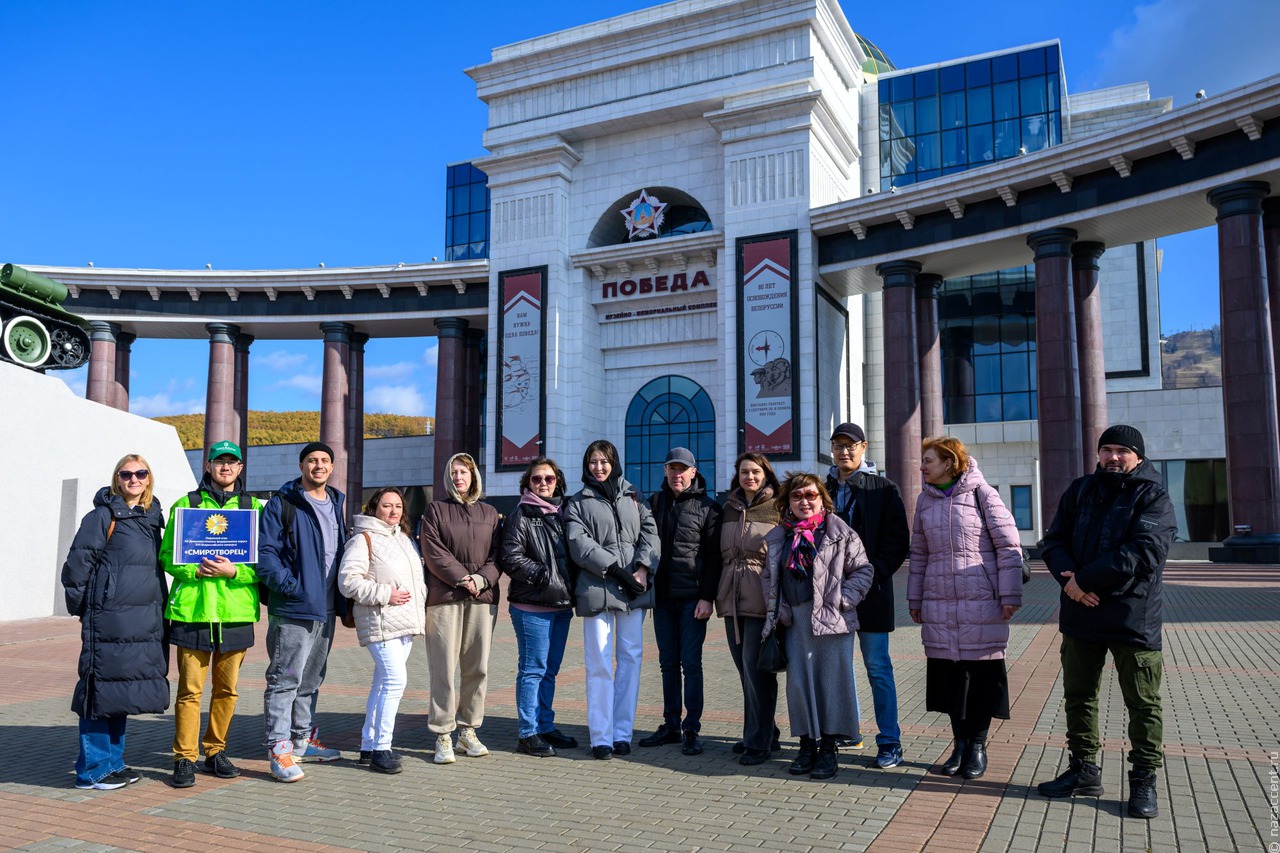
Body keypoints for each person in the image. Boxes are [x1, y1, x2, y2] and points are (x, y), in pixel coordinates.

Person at [1036, 425, 1177, 819]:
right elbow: (1053, 542)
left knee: (1143, 704)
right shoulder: (1081, 490)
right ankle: (1083, 770)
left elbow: (1144, 552)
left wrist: (1085, 579)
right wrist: (1072, 581)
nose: (1113, 457)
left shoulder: (1154, 495)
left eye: (1122, 451)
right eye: (1107, 450)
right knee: (1079, 696)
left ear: (1139, 456)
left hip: (1133, 618)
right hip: (1080, 611)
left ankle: (1144, 779)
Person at [908, 436, 1023, 780]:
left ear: (949, 463)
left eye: (929, 460)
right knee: (951, 678)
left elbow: (1008, 545)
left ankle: (977, 745)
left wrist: (1009, 596)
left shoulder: (982, 494)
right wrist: (914, 600)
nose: (922, 467)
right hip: (939, 603)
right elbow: (919, 556)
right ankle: (958, 744)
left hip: (981, 602)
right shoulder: (923, 501)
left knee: (981, 676)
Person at [159, 440, 262, 789]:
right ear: (208, 465)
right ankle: (184, 758)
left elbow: (265, 563)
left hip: (235, 612)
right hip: (193, 611)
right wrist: (193, 571)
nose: (226, 468)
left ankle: (215, 751)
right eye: (219, 462)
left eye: (232, 462)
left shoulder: (253, 509)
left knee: (227, 690)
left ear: (240, 468)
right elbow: (167, 556)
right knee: (189, 691)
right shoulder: (185, 505)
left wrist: (236, 573)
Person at [62, 454, 168, 790]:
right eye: (126, 474)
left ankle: (113, 763)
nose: (133, 479)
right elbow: (76, 568)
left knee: (119, 693)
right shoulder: (102, 516)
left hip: (142, 620)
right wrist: (86, 610)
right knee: (97, 693)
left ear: (149, 478)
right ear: (117, 478)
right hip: (109, 620)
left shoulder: (153, 518)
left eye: (140, 473)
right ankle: (92, 770)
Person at [761, 473, 874, 781]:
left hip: (832, 619)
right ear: (788, 502)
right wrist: (778, 608)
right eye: (797, 496)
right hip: (794, 620)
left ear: (823, 499)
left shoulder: (840, 532)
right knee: (798, 684)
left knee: (831, 683)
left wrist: (843, 600)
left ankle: (828, 747)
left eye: (810, 495)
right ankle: (806, 744)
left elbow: (863, 569)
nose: (804, 501)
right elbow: (768, 578)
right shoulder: (779, 536)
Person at [256, 441, 347, 782]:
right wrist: (293, 588)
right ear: (301, 466)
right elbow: (265, 554)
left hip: (325, 607)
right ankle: (279, 750)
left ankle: (301, 740)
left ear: (331, 467)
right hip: (295, 607)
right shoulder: (284, 504)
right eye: (312, 460)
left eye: (324, 460)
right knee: (285, 679)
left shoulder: (336, 501)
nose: (319, 465)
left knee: (311, 679)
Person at [565, 439, 660, 760]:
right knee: (599, 664)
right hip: (598, 588)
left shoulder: (633, 495)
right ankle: (601, 737)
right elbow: (579, 544)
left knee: (631, 660)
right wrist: (616, 570)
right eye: (593, 461)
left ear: (614, 462)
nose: (599, 467)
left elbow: (650, 532)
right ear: (586, 465)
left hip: (636, 587)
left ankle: (623, 733)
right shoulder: (578, 502)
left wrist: (644, 569)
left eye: (605, 461)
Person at [825, 422, 910, 768]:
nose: (844, 451)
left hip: (872, 594)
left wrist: (871, 575)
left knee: (877, 667)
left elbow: (898, 542)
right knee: (838, 668)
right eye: (838, 445)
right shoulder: (822, 488)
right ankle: (849, 731)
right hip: (831, 596)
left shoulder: (883, 489)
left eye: (851, 445)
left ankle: (890, 741)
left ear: (864, 448)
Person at [338, 486, 427, 774]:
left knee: (382, 684)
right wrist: (384, 593)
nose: (393, 511)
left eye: (398, 507)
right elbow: (348, 582)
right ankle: (381, 748)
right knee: (395, 682)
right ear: (374, 507)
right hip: (381, 620)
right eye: (387, 505)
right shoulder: (363, 539)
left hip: (404, 623)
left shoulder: (403, 538)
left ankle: (368, 744)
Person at [420, 452, 501, 765]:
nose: (458, 477)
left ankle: (468, 731)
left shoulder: (490, 512)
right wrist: (462, 577)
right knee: (443, 668)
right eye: (453, 472)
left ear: (474, 475)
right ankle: (442, 733)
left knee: (476, 667)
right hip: (445, 599)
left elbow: (499, 554)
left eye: (463, 472)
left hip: (482, 598)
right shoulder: (435, 510)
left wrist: (481, 579)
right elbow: (433, 551)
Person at [639, 447, 722, 756]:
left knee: (692, 664)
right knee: (667, 664)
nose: (677, 474)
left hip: (692, 601)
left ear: (693, 472)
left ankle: (692, 728)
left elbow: (714, 559)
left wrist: (706, 598)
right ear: (665, 471)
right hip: (662, 600)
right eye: (672, 469)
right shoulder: (654, 504)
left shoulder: (709, 507)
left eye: (682, 469)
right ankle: (671, 724)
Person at [498, 457, 579, 757]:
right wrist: (542, 574)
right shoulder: (521, 515)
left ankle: (545, 725)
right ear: (527, 483)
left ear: (558, 481)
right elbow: (509, 556)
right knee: (532, 670)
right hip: (532, 605)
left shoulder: (564, 513)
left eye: (549, 478)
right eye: (537, 479)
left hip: (560, 606)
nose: (543, 483)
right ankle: (527, 732)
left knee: (550, 671)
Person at [713, 452, 782, 766]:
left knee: (757, 672)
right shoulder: (729, 507)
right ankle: (766, 731)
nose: (749, 477)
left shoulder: (777, 507)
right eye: (744, 472)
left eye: (755, 472)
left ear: (765, 473)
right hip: (732, 600)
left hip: (761, 599)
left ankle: (759, 743)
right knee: (745, 672)